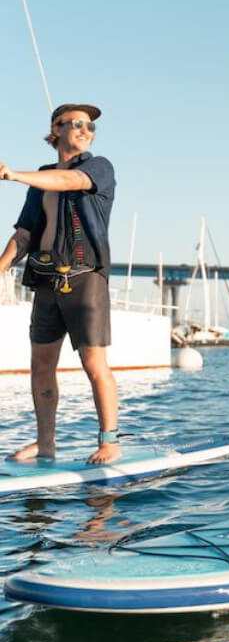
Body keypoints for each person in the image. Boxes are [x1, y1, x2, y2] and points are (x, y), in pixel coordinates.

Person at [0, 104, 121, 465]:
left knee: (93, 363)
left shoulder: (99, 168)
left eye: (91, 127)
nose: (86, 131)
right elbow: (24, 233)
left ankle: (110, 441)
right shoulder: (42, 178)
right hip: (46, 280)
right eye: (77, 124)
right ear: (56, 128)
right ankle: (45, 444)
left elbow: (72, 182)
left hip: (85, 279)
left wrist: (14, 175)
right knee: (40, 366)